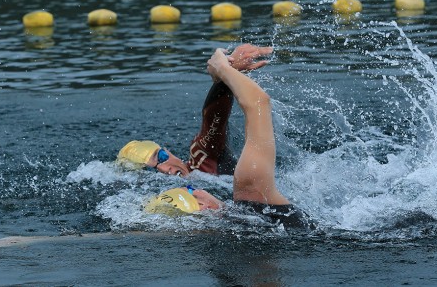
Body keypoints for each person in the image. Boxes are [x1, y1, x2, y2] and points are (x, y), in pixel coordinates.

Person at [119, 45, 315, 229]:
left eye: (160, 158)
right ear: (204, 205)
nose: (165, 169)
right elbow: (258, 103)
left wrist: (224, 81)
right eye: (189, 190)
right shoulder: (253, 198)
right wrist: (222, 68)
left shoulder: (202, 163)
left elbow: (212, 120)